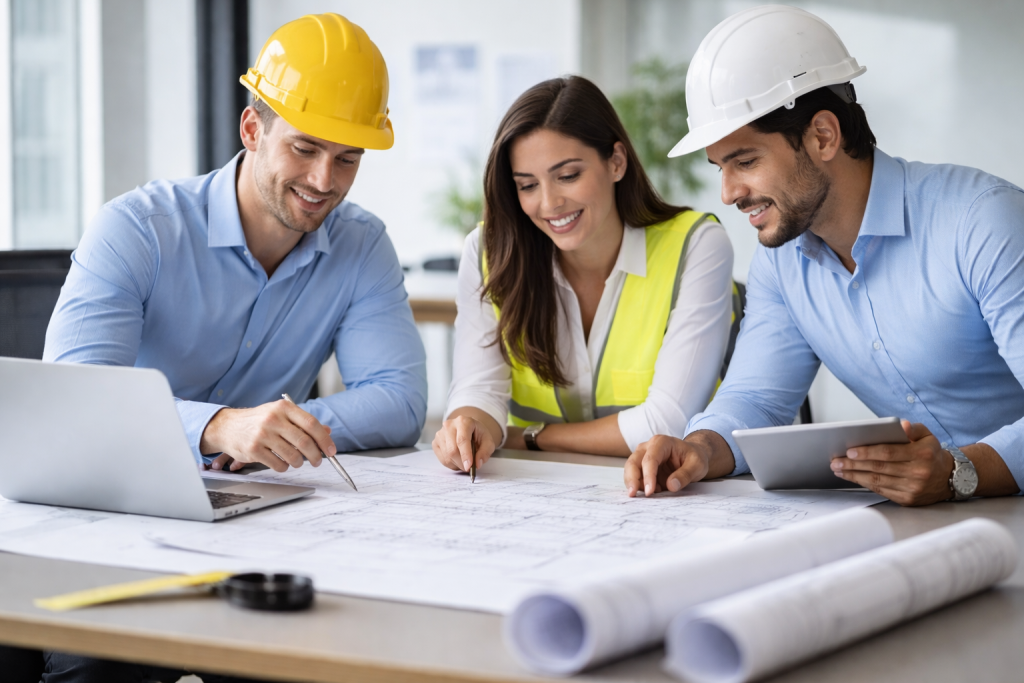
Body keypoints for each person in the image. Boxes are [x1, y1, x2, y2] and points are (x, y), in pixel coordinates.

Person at [9, 13, 426, 683]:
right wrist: (219, 426)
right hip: (113, 525)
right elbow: (78, 402)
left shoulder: (361, 245)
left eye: (348, 158)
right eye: (305, 148)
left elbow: (399, 400)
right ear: (252, 129)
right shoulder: (137, 229)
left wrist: (279, 434)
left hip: (262, 529)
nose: (325, 179)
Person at [625, 5, 1024, 506]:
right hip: (930, 524)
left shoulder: (983, 221)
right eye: (719, 168)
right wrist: (700, 448)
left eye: (745, 161)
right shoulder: (782, 257)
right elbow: (756, 398)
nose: (727, 193)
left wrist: (961, 471)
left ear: (822, 136)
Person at [433, 76, 735, 474]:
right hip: (542, 490)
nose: (549, 203)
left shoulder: (697, 245)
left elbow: (667, 421)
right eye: (527, 185)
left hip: (661, 492)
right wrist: (470, 426)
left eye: (568, 176)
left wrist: (531, 436)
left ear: (616, 162)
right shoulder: (489, 251)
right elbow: (479, 387)